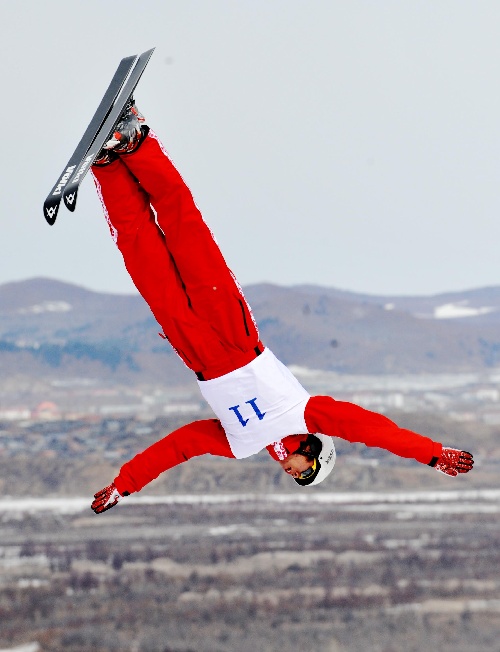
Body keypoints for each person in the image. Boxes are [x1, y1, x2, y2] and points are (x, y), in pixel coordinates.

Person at [90, 102, 474, 514]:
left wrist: (124, 485)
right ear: (314, 452)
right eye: (306, 471)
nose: (295, 475)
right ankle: (137, 145)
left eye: (298, 479)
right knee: (185, 227)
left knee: (139, 250)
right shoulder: (306, 416)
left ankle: (110, 167)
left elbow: (178, 447)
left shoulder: (240, 445)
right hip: (234, 334)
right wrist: (432, 454)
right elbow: (373, 431)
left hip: (194, 349)